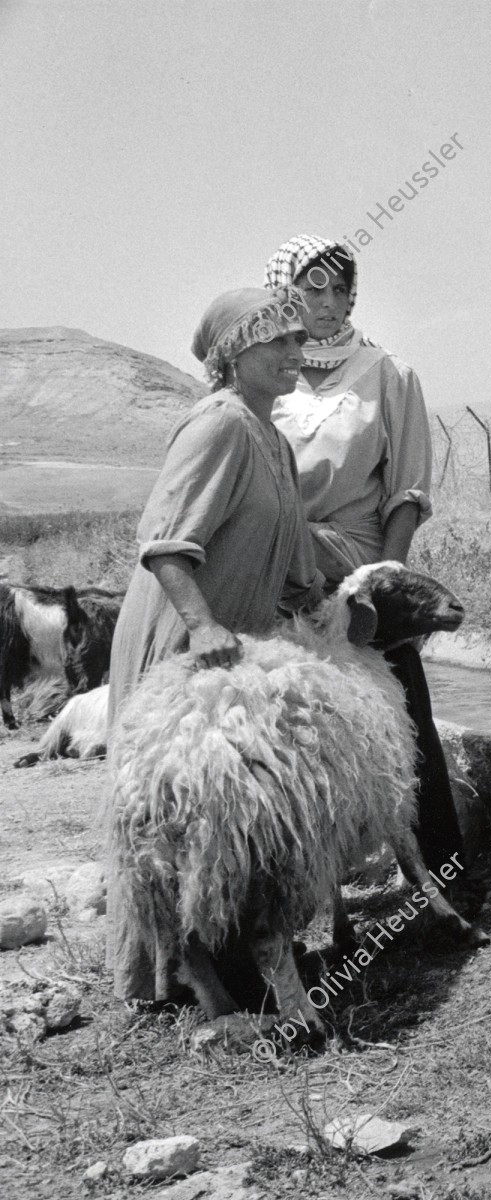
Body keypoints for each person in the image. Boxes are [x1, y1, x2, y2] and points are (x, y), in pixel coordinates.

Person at [108, 286, 326, 1004]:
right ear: (234, 354)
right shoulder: (219, 425)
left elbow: (296, 568)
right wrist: (202, 626)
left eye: (300, 340)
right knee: (165, 806)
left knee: (228, 811)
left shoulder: (275, 441)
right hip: (184, 635)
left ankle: (229, 962)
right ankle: (160, 978)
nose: (298, 355)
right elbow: (166, 545)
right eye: (279, 343)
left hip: (238, 648)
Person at [262, 235, 482, 922]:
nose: (323, 304)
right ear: (283, 295)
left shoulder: (387, 374)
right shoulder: (268, 376)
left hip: (356, 564)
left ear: (353, 296)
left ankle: (445, 874)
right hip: (278, 572)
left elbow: (406, 490)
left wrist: (379, 577)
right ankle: (301, 898)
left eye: (336, 290)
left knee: (401, 712)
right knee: (294, 723)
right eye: (308, 290)